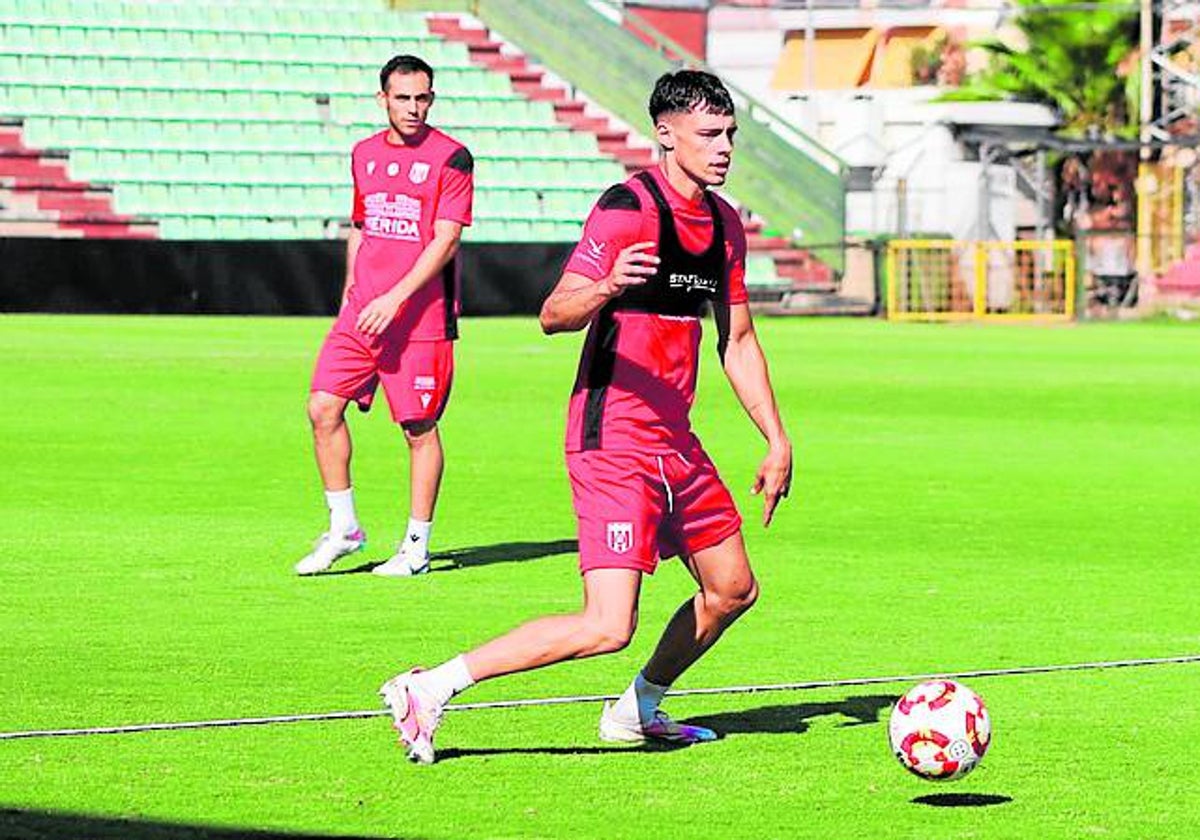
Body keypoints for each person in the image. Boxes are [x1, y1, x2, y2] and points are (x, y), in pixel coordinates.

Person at [379, 69, 792, 764]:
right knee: (608, 625)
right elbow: (553, 314)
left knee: (732, 589)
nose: (724, 148)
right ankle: (432, 687)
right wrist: (605, 286)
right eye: (709, 134)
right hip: (612, 438)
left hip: (675, 439)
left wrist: (776, 439)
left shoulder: (724, 227)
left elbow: (739, 341)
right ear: (665, 134)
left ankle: (638, 711)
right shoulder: (626, 207)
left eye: (730, 135)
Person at [294, 55, 473, 578]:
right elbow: (361, 225)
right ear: (383, 99)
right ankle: (344, 527)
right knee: (322, 408)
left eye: (422, 97)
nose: (413, 107)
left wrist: (395, 298)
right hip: (361, 314)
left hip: (420, 320)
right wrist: (351, 285)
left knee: (418, 428)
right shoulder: (364, 153)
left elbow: (447, 239)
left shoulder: (453, 158)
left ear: (431, 99)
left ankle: (415, 547)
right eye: (403, 97)